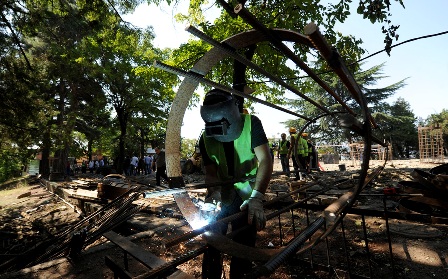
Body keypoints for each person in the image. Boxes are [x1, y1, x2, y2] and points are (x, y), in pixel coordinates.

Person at [199, 89, 273, 279]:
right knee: (213, 240)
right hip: (223, 196)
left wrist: (257, 197)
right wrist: (212, 194)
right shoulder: (205, 138)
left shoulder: (251, 123)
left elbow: (265, 159)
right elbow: (211, 173)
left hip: (248, 195)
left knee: (243, 246)